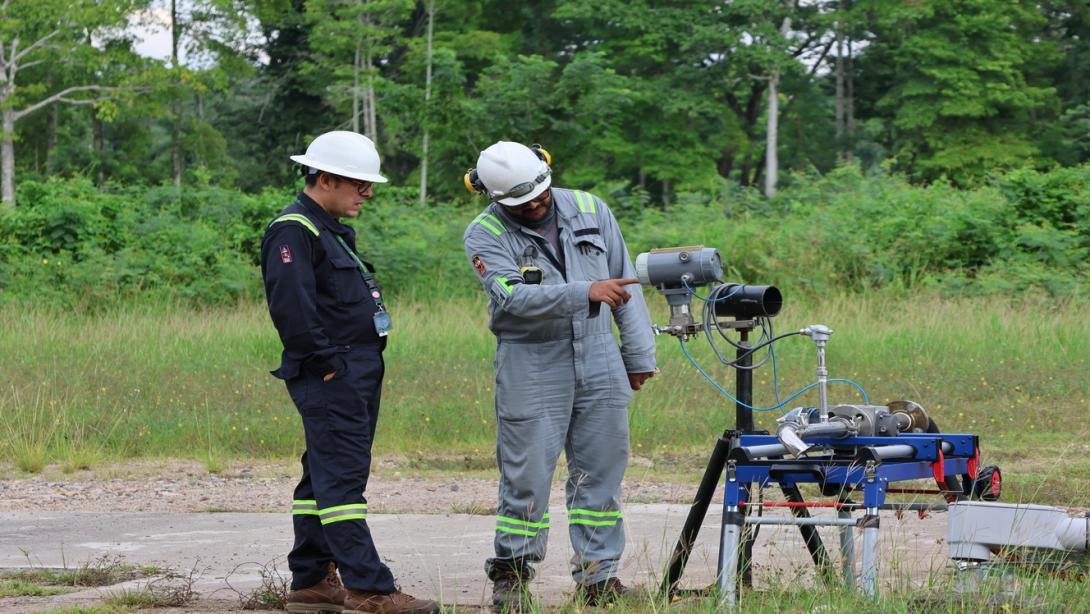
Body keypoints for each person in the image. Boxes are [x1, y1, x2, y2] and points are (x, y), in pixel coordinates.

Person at [461, 141, 657, 611]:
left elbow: (623, 279)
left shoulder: (591, 207)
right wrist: (585, 292)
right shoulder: (483, 233)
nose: (534, 205)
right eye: (520, 202)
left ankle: (598, 579)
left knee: (601, 473)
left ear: (548, 173)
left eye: (539, 195)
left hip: (599, 356)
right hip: (531, 360)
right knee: (526, 476)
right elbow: (512, 298)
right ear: (491, 196)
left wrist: (638, 354)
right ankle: (512, 574)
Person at [261, 130, 440, 614]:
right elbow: (292, 308)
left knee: (320, 477)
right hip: (332, 371)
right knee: (342, 480)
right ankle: (369, 588)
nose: (368, 193)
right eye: (359, 184)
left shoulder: (327, 228)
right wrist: (327, 366)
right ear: (324, 178)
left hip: (355, 367)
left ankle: (313, 580)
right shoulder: (293, 230)